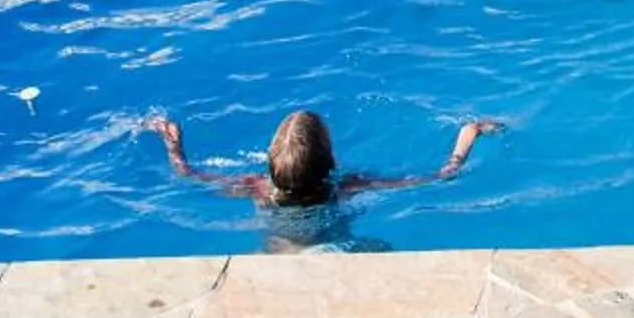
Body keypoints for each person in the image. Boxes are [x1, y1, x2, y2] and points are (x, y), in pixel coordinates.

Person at [141, 109, 502, 207]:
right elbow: (439, 177)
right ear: (330, 161)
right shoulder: (346, 188)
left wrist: (174, 147)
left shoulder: (254, 189)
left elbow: (189, 175)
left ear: (270, 164)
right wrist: (465, 139)